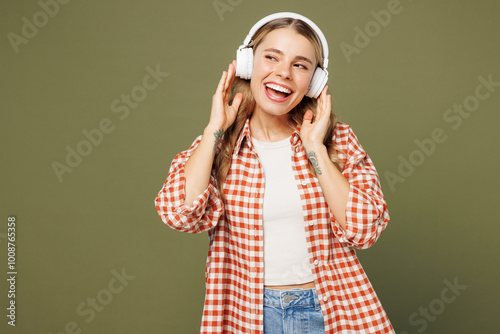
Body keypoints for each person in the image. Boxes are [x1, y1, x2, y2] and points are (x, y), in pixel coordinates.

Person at [155, 12, 394, 333]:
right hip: (248, 312)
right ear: (248, 63)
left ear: (315, 81)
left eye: (300, 65)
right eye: (271, 58)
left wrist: (315, 150)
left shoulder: (337, 140)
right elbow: (180, 215)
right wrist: (214, 128)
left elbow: (364, 230)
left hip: (331, 310)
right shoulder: (217, 145)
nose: (283, 73)